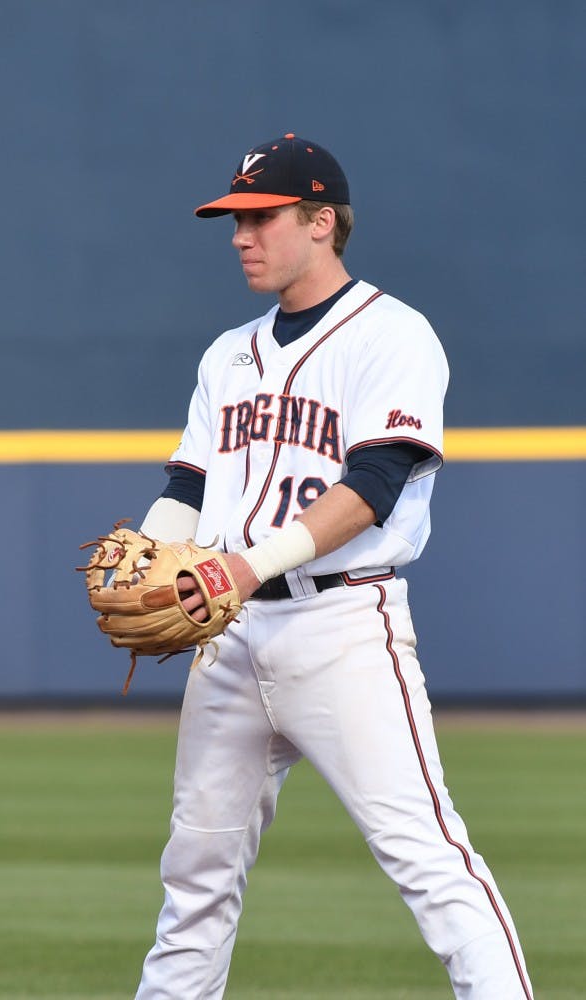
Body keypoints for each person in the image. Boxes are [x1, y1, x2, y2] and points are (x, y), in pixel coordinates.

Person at [132, 133, 534, 999]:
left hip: (342, 628)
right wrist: (151, 554)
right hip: (231, 638)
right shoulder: (227, 353)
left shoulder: (392, 334)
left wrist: (243, 565)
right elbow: (190, 480)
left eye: (260, 217)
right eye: (232, 221)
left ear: (321, 221)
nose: (240, 236)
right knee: (193, 881)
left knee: (429, 861)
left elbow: (375, 484)